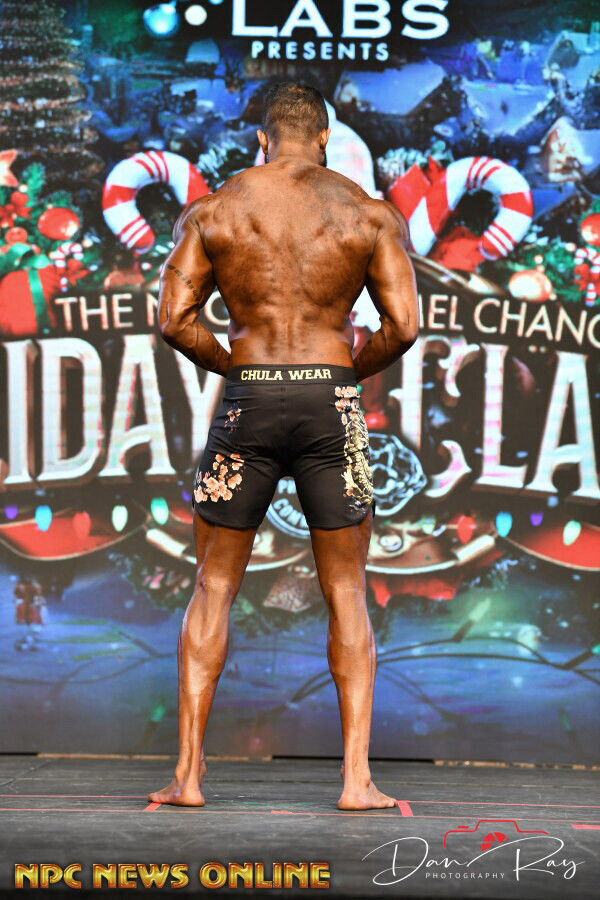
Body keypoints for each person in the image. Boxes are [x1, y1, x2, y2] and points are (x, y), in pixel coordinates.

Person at [148, 82, 419, 810]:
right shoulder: (368, 213)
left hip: (251, 398)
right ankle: (356, 781)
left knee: (213, 584)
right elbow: (403, 327)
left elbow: (173, 320)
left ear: (262, 139)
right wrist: (341, 371)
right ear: (325, 138)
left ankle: (189, 778)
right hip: (332, 403)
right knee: (347, 587)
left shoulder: (216, 209)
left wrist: (239, 367)